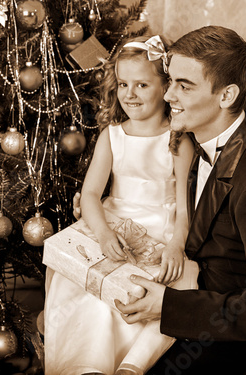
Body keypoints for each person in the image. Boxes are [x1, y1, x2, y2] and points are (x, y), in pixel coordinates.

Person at [108, 26, 246, 374]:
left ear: (226, 95)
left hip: (241, 342)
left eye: (184, 85)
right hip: (192, 295)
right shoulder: (194, 140)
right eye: (170, 81)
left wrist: (169, 307)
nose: (168, 96)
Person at [44, 35, 199, 375]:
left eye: (142, 84)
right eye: (124, 84)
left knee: (173, 282)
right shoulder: (112, 134)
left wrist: (176, 244)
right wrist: (102, 234)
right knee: (82, 288)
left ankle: (132, 364)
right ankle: (85, 365)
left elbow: (187, 207)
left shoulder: (178, 139)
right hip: (113, 221)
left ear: (166, 87)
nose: (130, 94)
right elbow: (90, 195)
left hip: (161, 225)